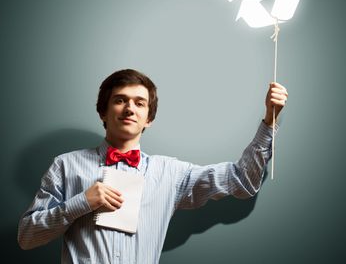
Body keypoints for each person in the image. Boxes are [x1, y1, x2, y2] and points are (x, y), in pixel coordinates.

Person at [18, 68, 288, 263]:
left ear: (149, 119)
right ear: (103, 111)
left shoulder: (170, 174)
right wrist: (81, 202)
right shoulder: (65, 165)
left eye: (139, 103)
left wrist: (269, 121)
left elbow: (242, 182)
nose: (129, 109)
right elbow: (27, 237)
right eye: (120, 100)